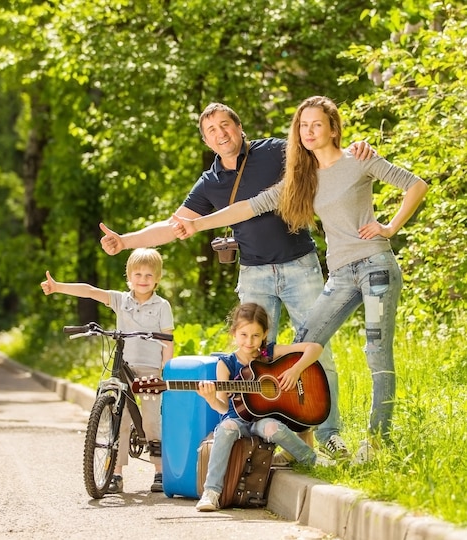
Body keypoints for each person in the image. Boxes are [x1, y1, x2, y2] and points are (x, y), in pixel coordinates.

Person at [99, 102, 374, 460]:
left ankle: (331, 435)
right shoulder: (210, 182)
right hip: (254, 273)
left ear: (239, 127)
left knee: (317, 352)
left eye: (225, 125)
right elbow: (173, 227)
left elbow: (319, 147)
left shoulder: (273, 151)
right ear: (206, 140)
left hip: (300, 266)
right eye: (212, 130)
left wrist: (357, 149)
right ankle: (274, 438)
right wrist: (125, 241)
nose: (221, 133)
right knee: (256, 359)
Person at [172, 95, 428, 464]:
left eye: (316, 124)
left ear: (333, 129)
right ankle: (301, 432)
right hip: (340, 274)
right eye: (302, 126)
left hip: (375, 266)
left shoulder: (359, 159)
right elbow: (250, 206)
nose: (308, 132)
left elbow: (415, 184)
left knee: (376, 353)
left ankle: (376, 442)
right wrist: (196, 223)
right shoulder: (301, 178)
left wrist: (389, 226)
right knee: (305, 343)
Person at [40, 248, 174, 492]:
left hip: (150, 369)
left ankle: (159, 472)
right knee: (118, 419)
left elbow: (168, 339)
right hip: (125, 365)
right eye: (137, 274)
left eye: (148, 275)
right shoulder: (121, 300)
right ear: (128, 276)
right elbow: (90, 291)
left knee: (153, 420)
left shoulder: (162, 305)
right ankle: (115, 473)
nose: (142, 280)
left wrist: (167, 364)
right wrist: (58, 287)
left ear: (157, 279)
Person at [196, 302, 334, 512]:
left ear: (265, 334)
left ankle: (312, 460)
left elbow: (314, 348)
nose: (249, 342)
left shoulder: (269, 354)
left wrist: (295, 371)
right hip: (237, 419)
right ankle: (211, 492)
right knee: (225, 429)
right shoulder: (226, 364)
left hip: (263, 419)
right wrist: (210, 399)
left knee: (273, 428)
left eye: (255, 335)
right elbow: (222, 407)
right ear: (234, 333)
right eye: (243, 335)